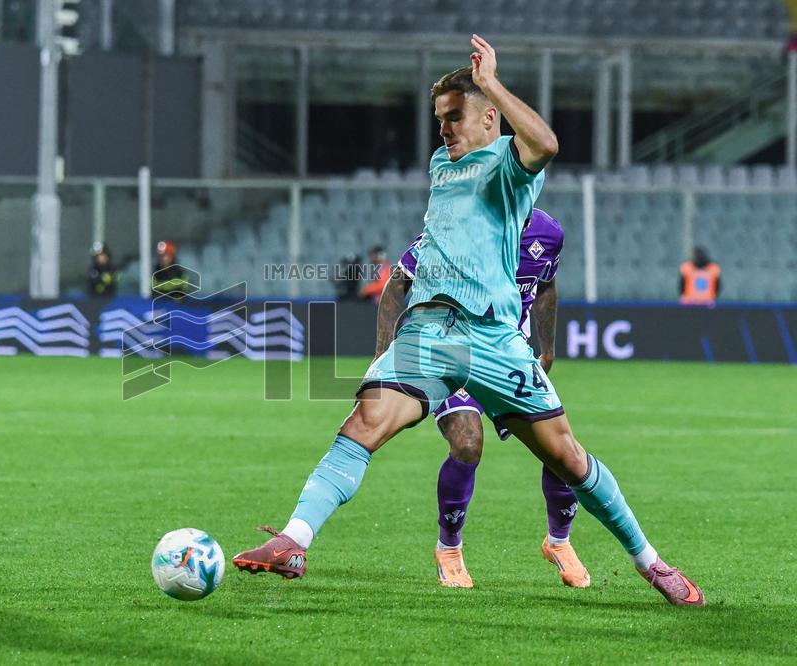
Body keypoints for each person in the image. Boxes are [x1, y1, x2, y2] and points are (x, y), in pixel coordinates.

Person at [232, 36, 704, 607]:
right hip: (430, 332)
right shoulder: (441, 164)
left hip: (495, 338)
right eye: (439, 119)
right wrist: (388, 346)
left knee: (569, 458)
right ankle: (293, 540)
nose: (444, 129)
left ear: (489, 117)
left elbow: (547, 144)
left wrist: (495, 85)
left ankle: (652, 564)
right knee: (364, 424)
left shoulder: (511, 166)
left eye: (454, 117)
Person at [376, 209, 587, 589]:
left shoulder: (549, 233)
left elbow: (546, 286)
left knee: (561, 451)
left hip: (510, 356)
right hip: (451, 351)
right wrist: (382, 352)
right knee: (468, 441)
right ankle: (449, 547)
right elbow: (398, 282)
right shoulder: (456, 228)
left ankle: (559, 541)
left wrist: (548, 348)